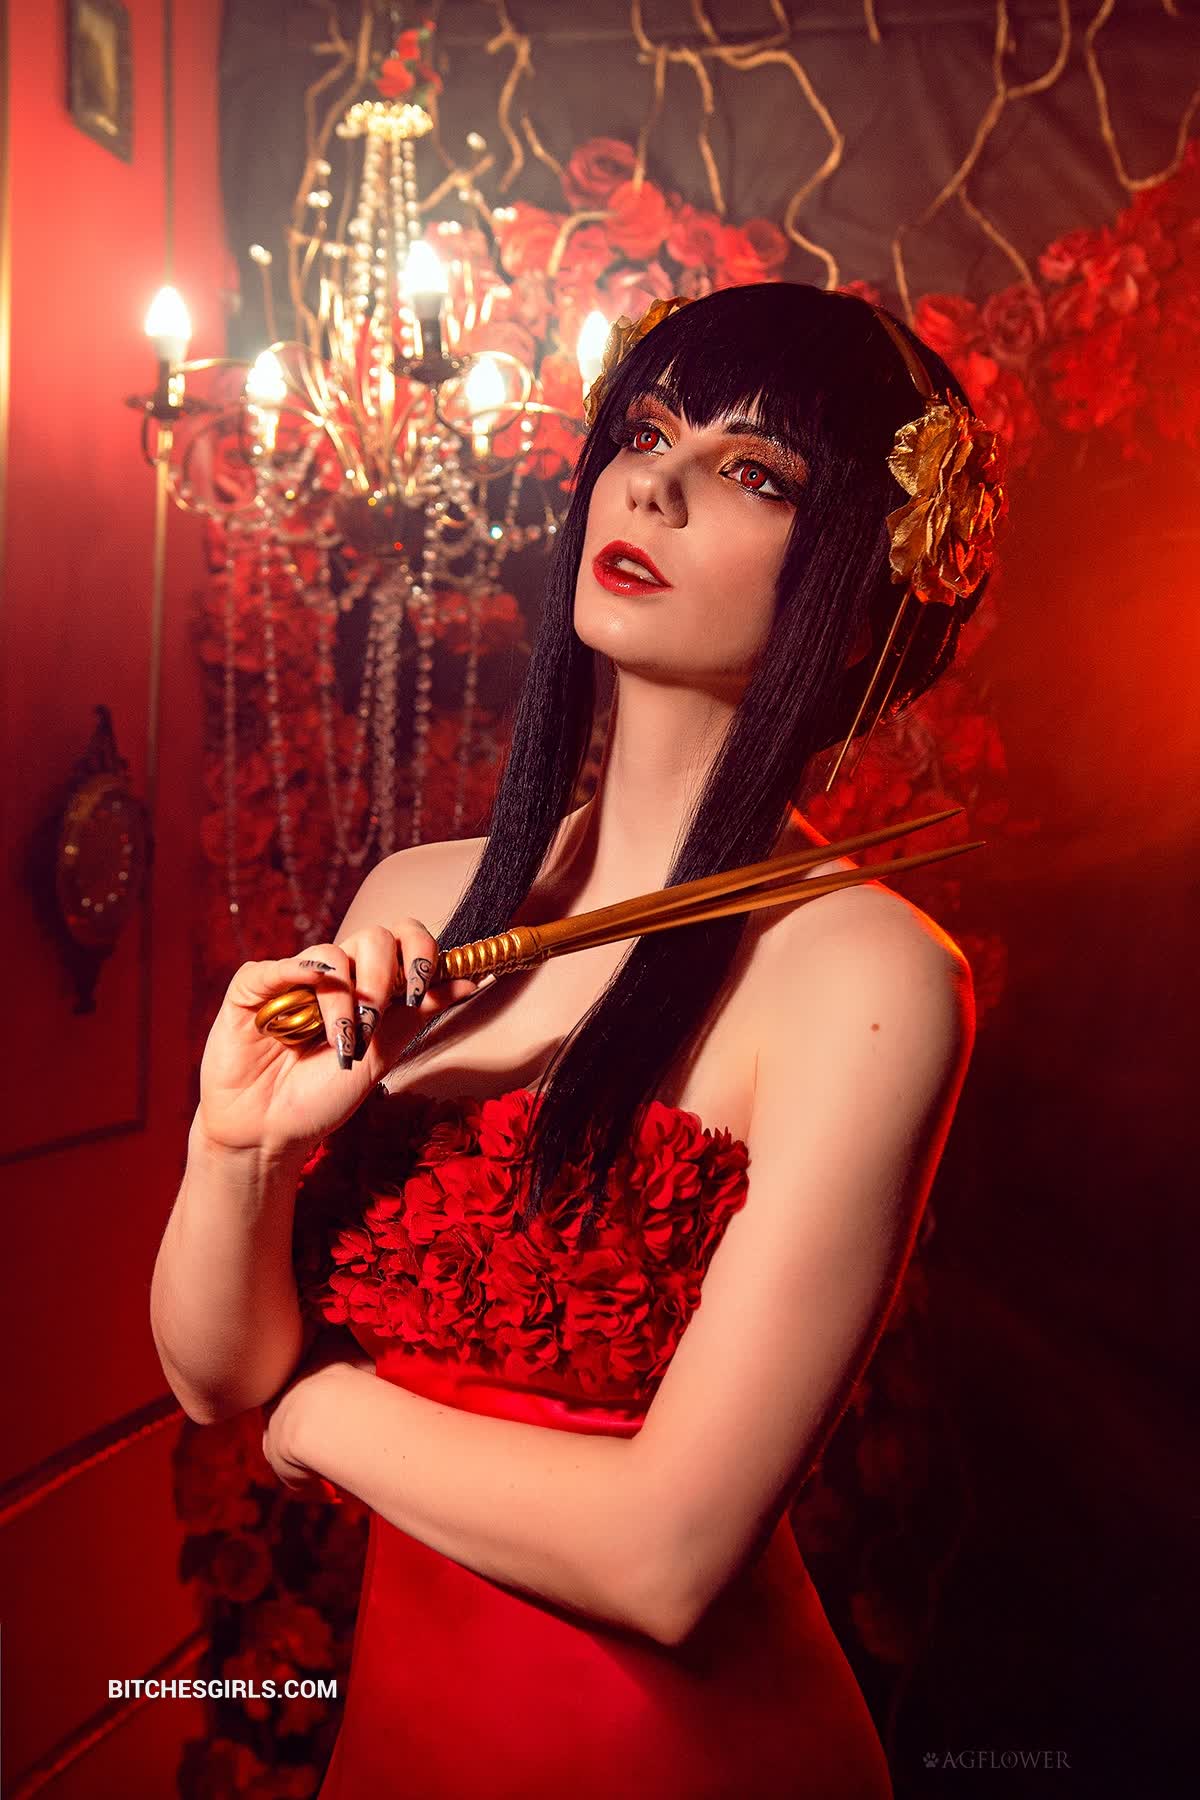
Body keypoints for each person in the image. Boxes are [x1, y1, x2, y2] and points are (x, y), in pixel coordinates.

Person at [152, 281, 1001, 1797]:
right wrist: (238, 1149)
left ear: (861, 580)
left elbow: (665, 1559)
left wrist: (326, 1409)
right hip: (399, 1748)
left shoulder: (870, 977)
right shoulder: (416, 901)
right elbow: (218, 1381)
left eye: (754, 472)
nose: (654, 486)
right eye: (649, 432)